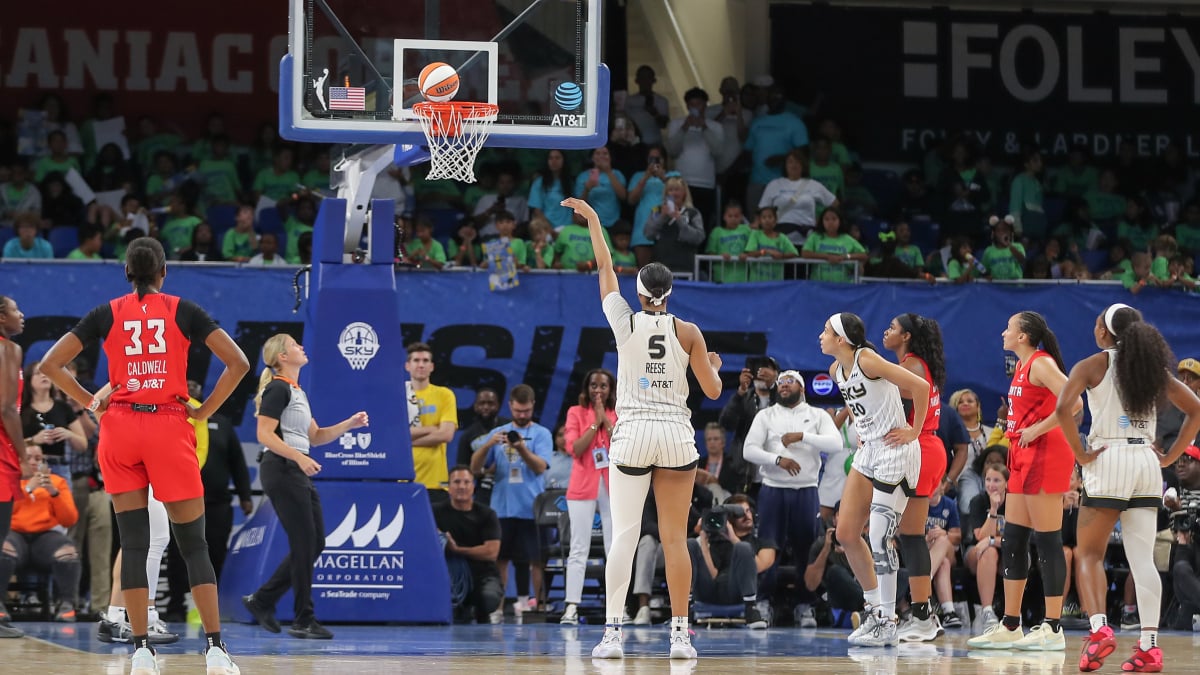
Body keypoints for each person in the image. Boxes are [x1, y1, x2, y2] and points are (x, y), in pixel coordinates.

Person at [38, 236, 249, 674]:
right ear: (164, 272)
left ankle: (140, 652)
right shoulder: (183, 309)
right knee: (193, 544)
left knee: (133, 544)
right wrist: (205, 409)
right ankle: (214, 649)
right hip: (168, 426)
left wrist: (91, 402)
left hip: (120, 429)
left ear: (126, 273)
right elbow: (239, 363)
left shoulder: (106, 312)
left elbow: (50, 365)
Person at [560, 196, 723, 660]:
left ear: (641, 292)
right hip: (675, 434)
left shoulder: (625, 322)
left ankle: (612, 634)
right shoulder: (688, 329)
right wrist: (710, 364)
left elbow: (605, 268)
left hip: (631, 432)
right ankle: (678, 637)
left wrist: (594, 219)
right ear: (670, 293)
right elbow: (712, 393)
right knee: (674, 539)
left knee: (626, 535)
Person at [1057, 304, 1200, 673]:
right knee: (1142, 560)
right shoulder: (1154, 370)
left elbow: (1061, 410)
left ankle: (1099, 629)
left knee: (1089, 554)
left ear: (1105, 333)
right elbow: (1196, 408)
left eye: (1095, 325)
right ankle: (1149, 648)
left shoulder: (1093, 365)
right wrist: (1170, 457)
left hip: (1108, 457)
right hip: (1146, 463)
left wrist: (1080, 453)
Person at [241, 334, 368, 640]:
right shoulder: (277, 388)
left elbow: (317, 436)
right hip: (283, 468)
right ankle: (303, 618)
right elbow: (265, 434)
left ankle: (263, 599)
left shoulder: (297, 392)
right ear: (282, 357)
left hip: (295, 468)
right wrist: (299, 458)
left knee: (314, 543)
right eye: (296, 345)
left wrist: (348, 424)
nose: (302, 348)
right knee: (303, 543)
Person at [967, 311, 1080, 652]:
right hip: (1022, 454)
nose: (1003, 332)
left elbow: (1074, 403)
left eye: (1008, 328)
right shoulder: (1021, 366)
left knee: (1048, 541)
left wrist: (1038, 428)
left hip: (1046, 453)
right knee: (1014, 538)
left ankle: (1053, 627)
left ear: (1023, 336)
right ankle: (1011, 624)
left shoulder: (1041, 363)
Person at [819, 312, 929, 647]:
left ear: (842, 339)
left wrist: (915, 430)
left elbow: (920, 386)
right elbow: (857, 403)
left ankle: (889, 621)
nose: (820, 336)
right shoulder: (837, 370)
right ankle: (874, 610)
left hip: (897, 450)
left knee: (880, 537)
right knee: (847, 532)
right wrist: (862, 430)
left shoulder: (867, 358)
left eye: (826, 331)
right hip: (870, 450)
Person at [739, 369, 842, 627]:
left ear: (802, 388)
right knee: (768, 548)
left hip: (806, 490)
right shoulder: (766, 415)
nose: (783, 385)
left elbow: (836, 444)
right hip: (773, 489)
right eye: (781, 382)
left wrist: (803, 436)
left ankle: (805, 605)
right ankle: (763, 603)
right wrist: (777, 459)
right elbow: (749, 450)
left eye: (790, 382)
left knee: (805, 550)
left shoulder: (816, 415)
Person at [881, 314, 949, 642]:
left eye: (892, 328)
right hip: (924, 447)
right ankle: (919, 612)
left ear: (905, 336)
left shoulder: (910, 366)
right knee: (908, 535)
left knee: (910, 536)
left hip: (919, 448)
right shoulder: (916, 363)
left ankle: (920, 615)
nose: (886, 332)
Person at [560, 369, 617, 625]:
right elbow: (575, 448)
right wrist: (595, 421)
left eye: (603, 386)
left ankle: (617, 608)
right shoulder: (575, 412)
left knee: (614, 549)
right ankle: (571, 606)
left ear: (610, 389)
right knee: (579, 547)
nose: (598, 390)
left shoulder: (619, 412)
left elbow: (622, 445)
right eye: (594, 385)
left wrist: (606, 419)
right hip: (583, 486)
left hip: (613, 487)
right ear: (586, 387)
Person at [688, 494, 776, 629]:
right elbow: (713, 575)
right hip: (712, 590)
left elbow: (757, 567)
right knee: (691, 543)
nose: (746, 516)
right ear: (729, 519)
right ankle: (684, 611)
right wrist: (704, 541)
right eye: (740, 513)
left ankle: (751, 610)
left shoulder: (762, 542)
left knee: (743, 547)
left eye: (747, 511)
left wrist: (733, 538)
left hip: (739, 591)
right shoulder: (717, 541)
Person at [434, 466, 503, 624]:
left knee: (488, 599)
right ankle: (460, 606)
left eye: (466, 482)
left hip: (483, 574)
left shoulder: (487, 514)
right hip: (448, 575)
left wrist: (457, 550)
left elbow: (492, 552)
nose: (462, 486)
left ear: (473, 487)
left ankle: (478, 609)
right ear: (449, 487)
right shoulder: (434, 512)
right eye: (457, 482)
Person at [0, 296, 26, 638]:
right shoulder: (8, 349)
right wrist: (23, 455)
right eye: (15, 309)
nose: (22, 315)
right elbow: (7, 409)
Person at [405, 342, 458, 501]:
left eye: (425, 361)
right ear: (407, 365)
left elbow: (446, 435)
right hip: (404, 480)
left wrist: (407, 441)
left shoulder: (444, 395)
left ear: (432, 366)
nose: (421, 365)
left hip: (435, 484)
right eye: (416, 360)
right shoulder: (398, 396)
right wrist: (432, 429)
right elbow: (393, 436)